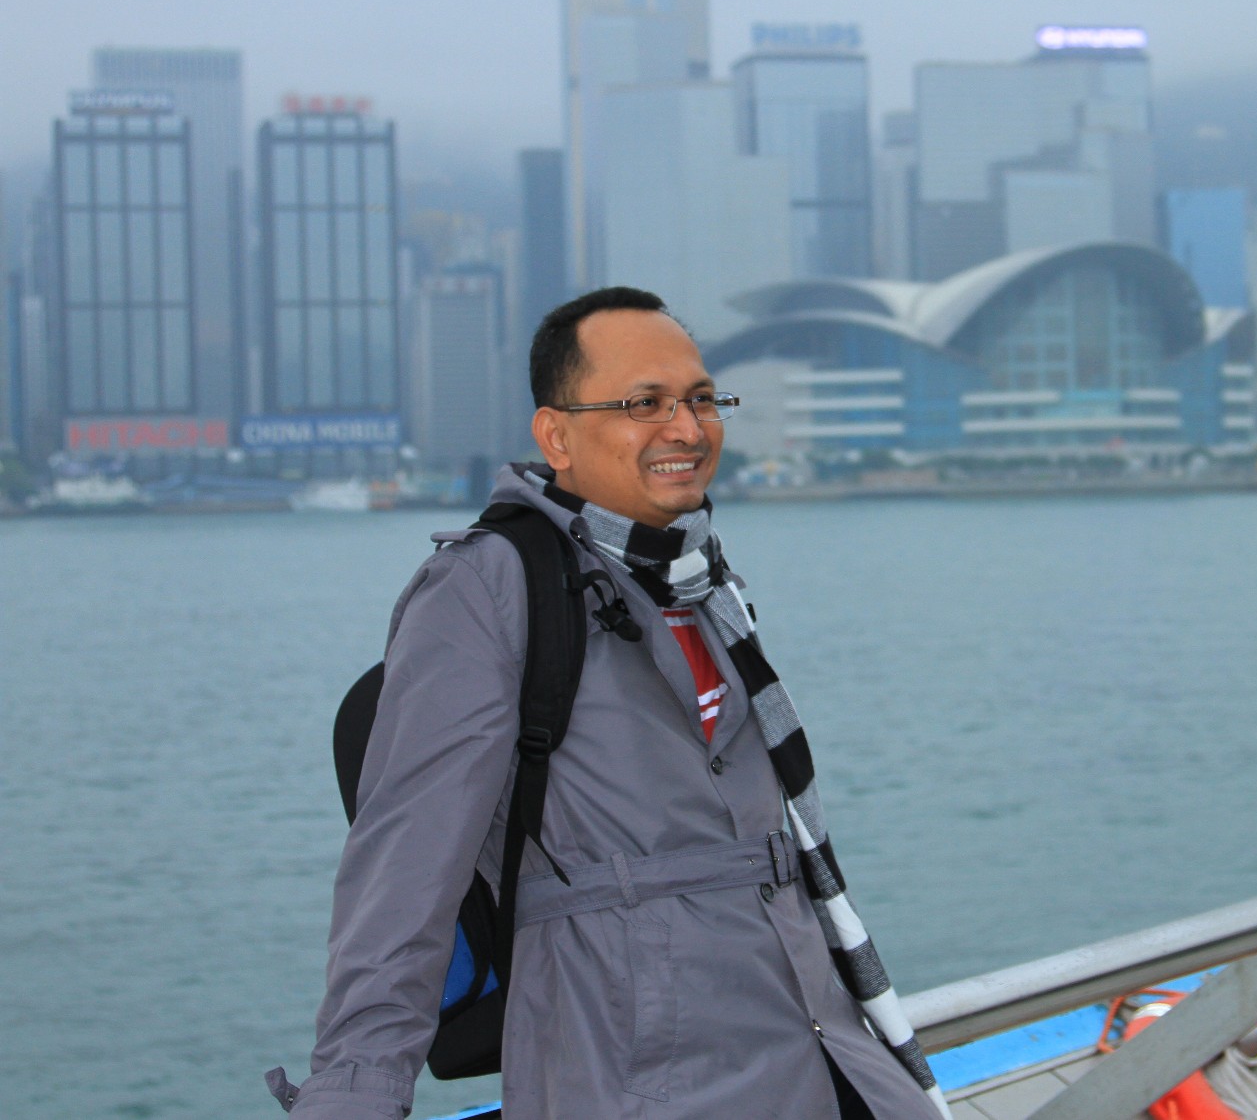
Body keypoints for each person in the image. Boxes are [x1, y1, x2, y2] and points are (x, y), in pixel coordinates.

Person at [269, 287, 948, 1119]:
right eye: (644, 403)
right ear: (556, 435)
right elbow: (403, 875)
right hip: (639, 1076)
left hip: (821, 1048)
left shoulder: (707, 583)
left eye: (702, 399)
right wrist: (354, 1093)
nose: (687, 428)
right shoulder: (486, 587)